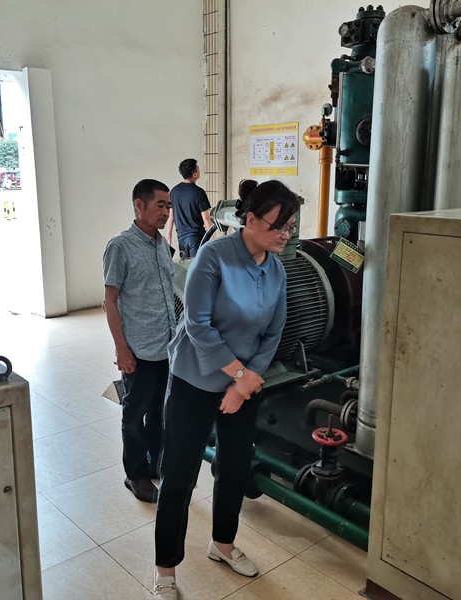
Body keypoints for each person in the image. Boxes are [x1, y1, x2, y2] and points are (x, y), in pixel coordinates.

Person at [152, 180, 300, 598]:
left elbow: (273, 333)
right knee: (179, 475)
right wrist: (238, 376)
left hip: (244, 384)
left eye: (290, 227)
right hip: (195, 381)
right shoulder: (213, 258)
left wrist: (243, 384)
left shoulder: (276, 270)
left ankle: (223, 543)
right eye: (278, 226)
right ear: (249, 219)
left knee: (234, 467)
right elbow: (198, 324)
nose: (285, 235)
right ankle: (166, 568)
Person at [103, 179, 177, 504]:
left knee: (160, 411)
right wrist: (122, 350)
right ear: (139, 205)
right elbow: (110, 300)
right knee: (134, 414)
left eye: (168, 206)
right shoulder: (120, 246)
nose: (166, 212)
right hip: (140, 350)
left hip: (167, 347)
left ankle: (154, 463)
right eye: (160, 205)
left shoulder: (161, 244)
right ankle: (135, 475)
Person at [164, 158, 212, 258]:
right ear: (194, 174)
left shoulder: (174, 192)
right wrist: (211, 239)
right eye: (198, 168)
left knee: (186, 266)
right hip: (197, 238)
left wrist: (168, 236)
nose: (199, 170)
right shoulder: (199, 192)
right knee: (198, 266)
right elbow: (206, 219)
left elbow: (171, 217)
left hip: (181, 239)